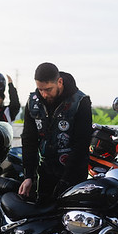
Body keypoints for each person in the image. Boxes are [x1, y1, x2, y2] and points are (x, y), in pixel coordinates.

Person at [18, 62, 92, 202]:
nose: (44, 94)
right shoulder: (33, 102)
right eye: (40, 89)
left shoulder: (80, 102)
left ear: (59, 82)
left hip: (73, 174)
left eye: (48, 89)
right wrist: (28, 176)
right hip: (45, 173)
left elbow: (82, 143)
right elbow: (29, 139)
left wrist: (66, 180)